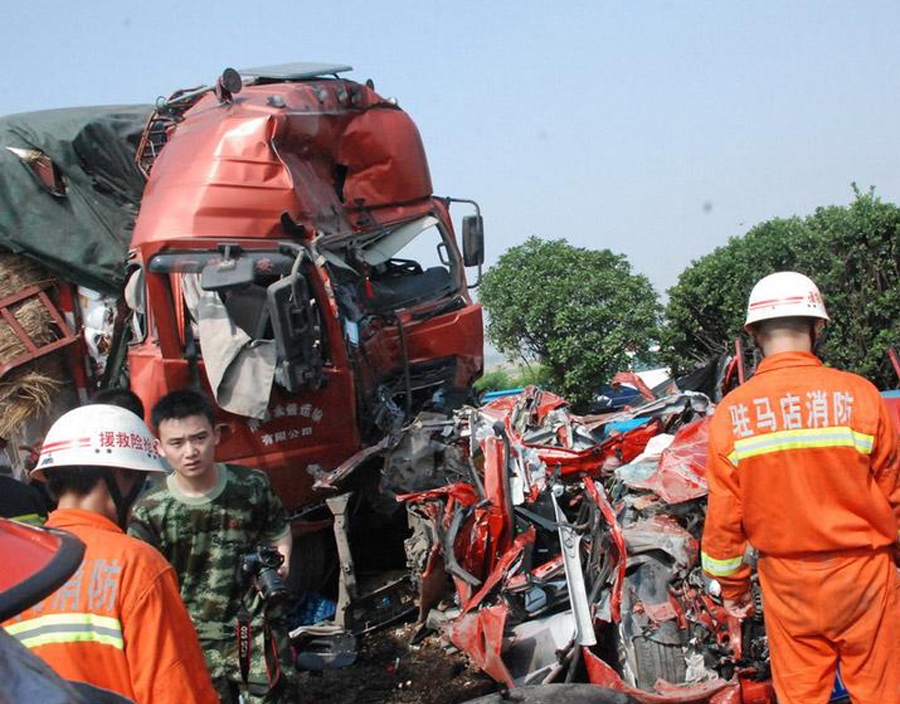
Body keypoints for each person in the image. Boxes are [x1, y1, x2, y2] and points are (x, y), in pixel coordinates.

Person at [701, 271, 900, 704]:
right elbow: (894, 493)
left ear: (754, 333)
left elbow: (723, 522)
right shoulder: (862, 396)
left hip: (788, 584)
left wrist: (735, 592)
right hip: (867, 576)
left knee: (801, 694)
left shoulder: (732, 414)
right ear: (818, 327)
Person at [1, 404, 219, 704]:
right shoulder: (136, 564)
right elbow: (176, 692)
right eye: (143, 480)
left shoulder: (16, 566)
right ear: (120, 477)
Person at [129, 389, 297, 703]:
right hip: (193, 641)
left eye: (199, 438)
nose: (190, 451)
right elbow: (143, 585)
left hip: (255, 631)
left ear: (217, 435)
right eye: (176, 443)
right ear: (159, 448)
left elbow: (278, 532)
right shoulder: (150, 511)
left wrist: (282, 562)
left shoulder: (251, 486)